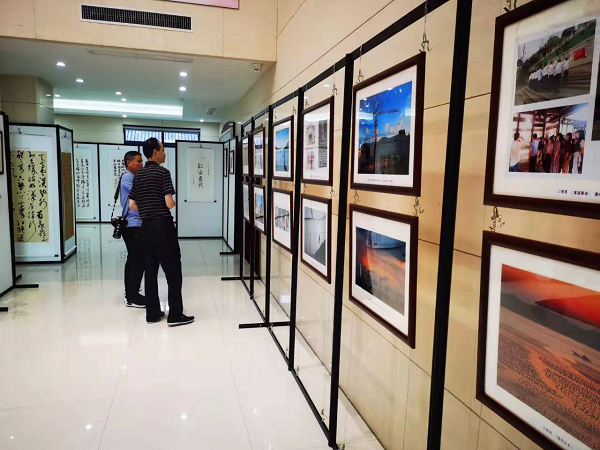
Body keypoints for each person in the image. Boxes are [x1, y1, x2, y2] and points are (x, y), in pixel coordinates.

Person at [129, 138, 194, 327]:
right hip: (163, 227)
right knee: (173, 271)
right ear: (155, 152)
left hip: (145, 228)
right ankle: (175, 315)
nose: (165, 153)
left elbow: (132, 205)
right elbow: (169, 203)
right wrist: (166, 202)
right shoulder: (163, 173)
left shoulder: (138, 175)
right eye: (163, 150)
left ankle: (152, 313)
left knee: (150, 272)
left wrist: (146, 206)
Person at [121, 151, 146, 308]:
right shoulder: (128, 178)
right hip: (132, 224)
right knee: (136, 260)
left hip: (137, 224)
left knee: (137, 259)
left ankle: (133, 291)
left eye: (142, 160)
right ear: (129, 162)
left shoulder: (133, 177)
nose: (141, 164)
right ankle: (131, 296)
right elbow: (140, 195)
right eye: (138, 161)